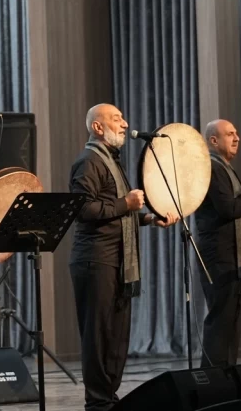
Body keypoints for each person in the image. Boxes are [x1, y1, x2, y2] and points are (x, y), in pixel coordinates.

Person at [68, 103, 177, 411]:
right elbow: (82, 209)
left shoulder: (110, 160)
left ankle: (109, 398)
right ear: (97, 127)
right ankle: (98, 402)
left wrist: (148, 218)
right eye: (116, 119)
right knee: (99, 335)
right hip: (96, 259)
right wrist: (125, 204)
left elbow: (116, 212)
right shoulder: (88, 161)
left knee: (117, 335)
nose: (125, 123)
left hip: (117, 261)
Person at [194, 119, 241, 368]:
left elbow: (233, 216)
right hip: (219, 257)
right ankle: (212, 381)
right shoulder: (213, 167)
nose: (236, 138)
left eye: (236, 133)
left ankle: (226, 377)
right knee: (221, 322)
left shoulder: (224, 167)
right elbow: (229, 209)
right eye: (230, 134)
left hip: (231, 257)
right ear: (214, 140)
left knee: (231, 323)